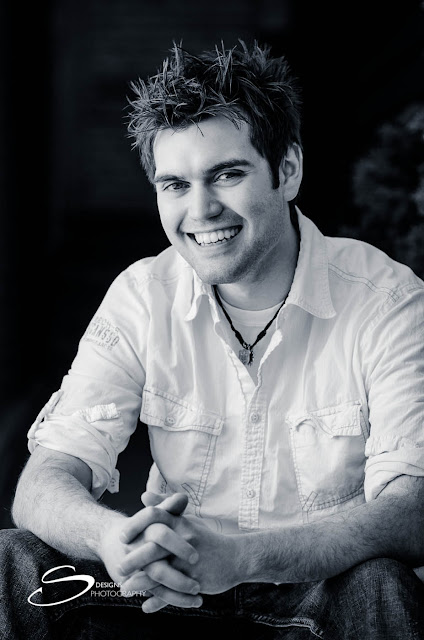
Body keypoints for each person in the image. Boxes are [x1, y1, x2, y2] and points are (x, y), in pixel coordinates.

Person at [3, 41, 424, 639]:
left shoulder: (386, 300)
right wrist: (112, 538)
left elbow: (413, 510)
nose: (200, 210)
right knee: (14, 560)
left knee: (380, 584)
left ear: (288, 170)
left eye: (227, 175)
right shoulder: (143, 295)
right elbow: (44, 480)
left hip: (314, 598)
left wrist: (244, 557)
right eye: (175, 184)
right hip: (168, 593)